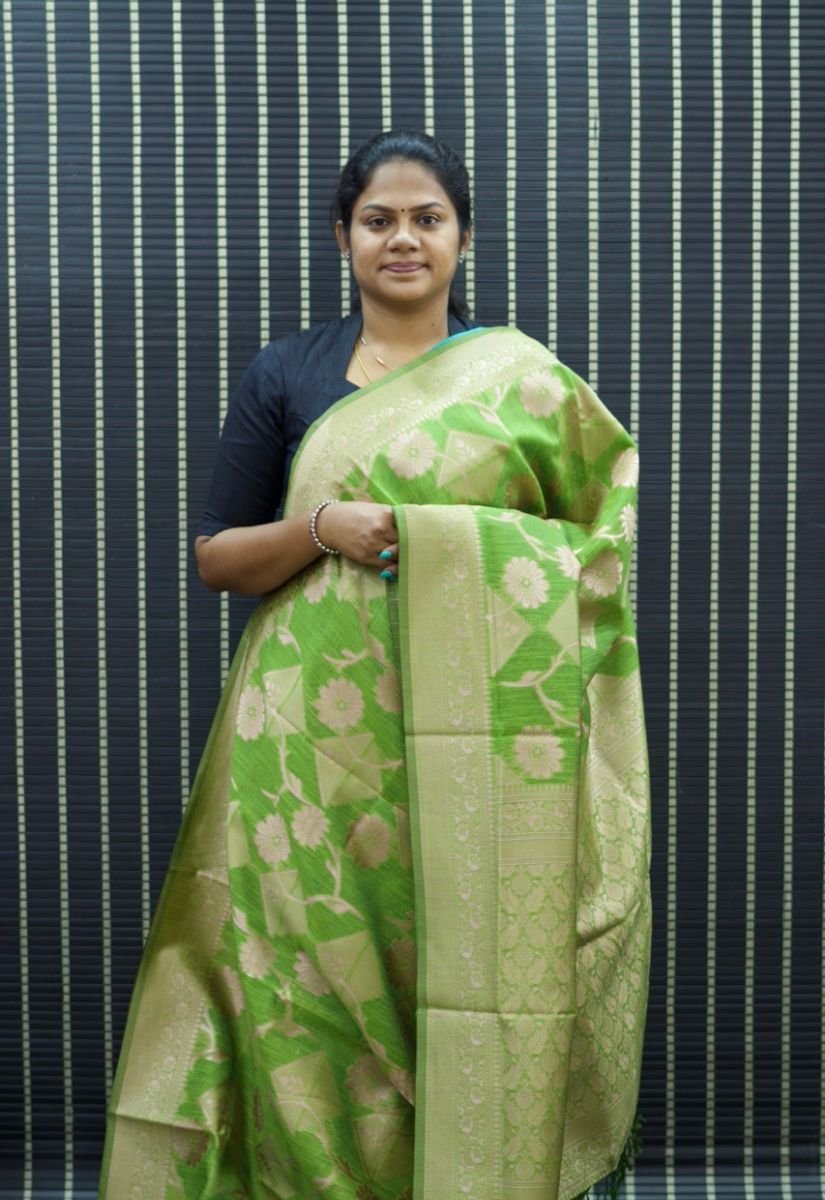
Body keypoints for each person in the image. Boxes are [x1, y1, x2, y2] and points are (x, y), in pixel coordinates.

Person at [99, 130, 651, 1200]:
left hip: (480, 746)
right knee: (302, 976)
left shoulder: (523, 382)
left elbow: (597, 547)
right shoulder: (288, 372)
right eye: (378, 219)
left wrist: (455, 543)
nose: (403, 238)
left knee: (456, 966)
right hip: (302, 750)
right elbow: (218, 557)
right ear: (344, 237)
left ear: (463, 238)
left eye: (426, 218)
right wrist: (323, 528)